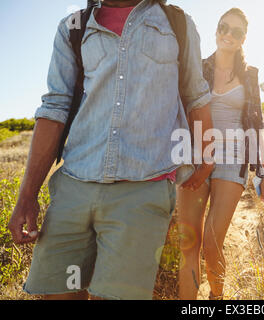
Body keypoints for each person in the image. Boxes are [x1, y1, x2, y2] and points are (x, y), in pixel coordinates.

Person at [7, 0, 214, 300]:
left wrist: (206, 155)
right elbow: (54, 107)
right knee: (59, 294)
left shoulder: (177, 24)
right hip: (73, 190)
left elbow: (196, 95)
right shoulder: (73, 28)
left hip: (142, 190)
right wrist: (27, 196)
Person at [177, 8, 264, 300]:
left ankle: (216, 298)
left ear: (244, 38)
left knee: (212, 243)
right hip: (196, 158)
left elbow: (255, 123)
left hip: (233, 161)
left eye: (237, 32)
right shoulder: (197, 67)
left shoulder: (250, 76)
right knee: (188, 244)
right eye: (223, 28)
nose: (228, 34)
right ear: (216, 30)